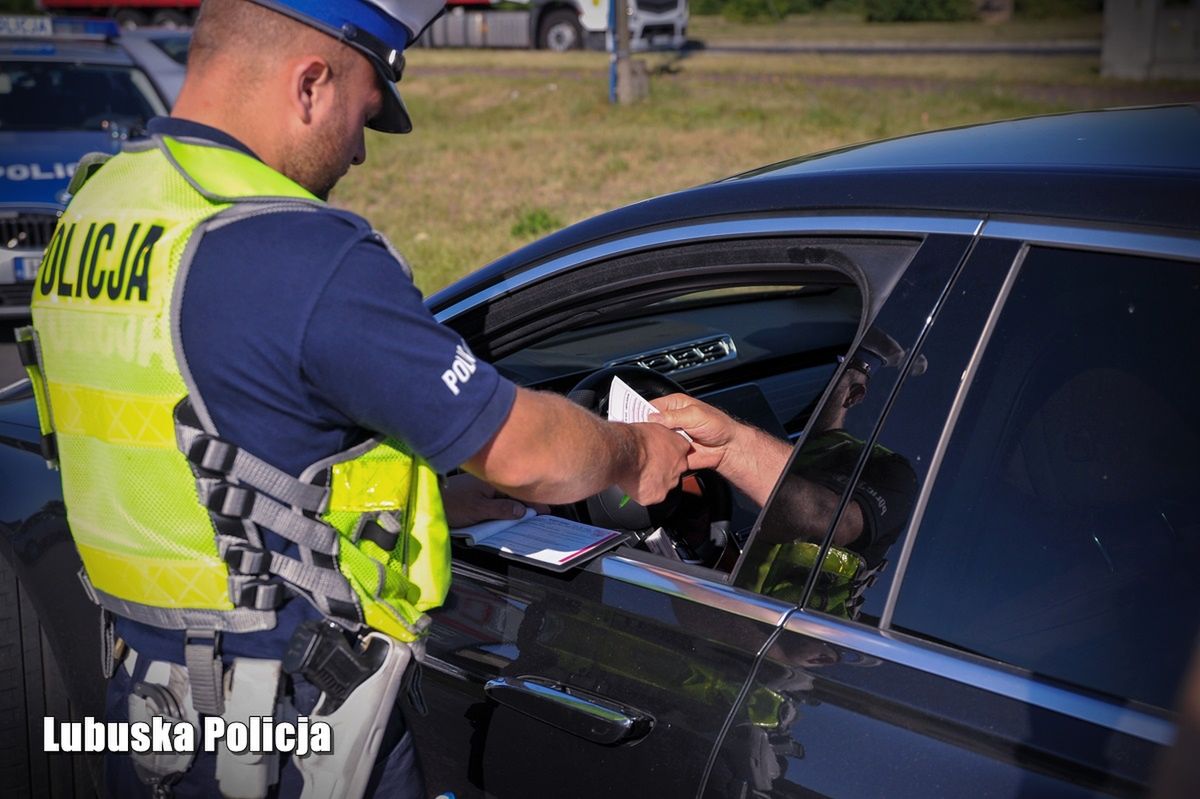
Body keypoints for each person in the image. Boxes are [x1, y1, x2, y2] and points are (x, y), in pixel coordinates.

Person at [20, 1, 688, 796]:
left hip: (147, 713)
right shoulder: (296, 250)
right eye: (364, 113)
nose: (361, 153)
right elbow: (526, 448)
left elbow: (203, 440)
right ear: (310, 83)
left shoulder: (98, 209)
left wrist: (433, 501)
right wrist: (635, 452)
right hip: (283, 742)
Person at [652, 335, 918, 616]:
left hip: (799, 641)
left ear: (854, 395)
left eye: (836, 367)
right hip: (717, 611)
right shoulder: (778, 439)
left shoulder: (887, 468)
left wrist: (731, 450)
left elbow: (827, 519)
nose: (820, 374)